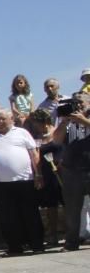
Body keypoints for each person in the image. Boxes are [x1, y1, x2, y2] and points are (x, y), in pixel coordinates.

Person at [0, 110, 44, 254]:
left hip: (25, 181)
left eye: (3, 119)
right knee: (7, 218)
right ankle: (14, 247)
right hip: (1, 184)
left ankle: (36, 245)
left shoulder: (22, 133)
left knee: (30, 215)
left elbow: (34, 155)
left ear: (11, 119)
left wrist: (38, 174)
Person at [52, 92, 90, 251]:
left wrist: (85, 121)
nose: (78, 105)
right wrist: (64, 122)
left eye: (81, 102)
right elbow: (56, 140)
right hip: (72, 171)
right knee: (73, 210)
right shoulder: (69, 122)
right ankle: (71, 243)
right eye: (75, 102)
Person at [25, 109, 63, 245]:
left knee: (67, 203)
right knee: (50, 206)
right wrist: (39, 174)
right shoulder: (36, 137)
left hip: (61, 172)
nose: (34, 125)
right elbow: (37, 158)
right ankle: (53, 235)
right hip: (46, 173)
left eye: (35, 122)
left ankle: (72, 232)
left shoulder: (58, 131)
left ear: (44, 121)